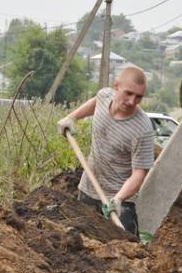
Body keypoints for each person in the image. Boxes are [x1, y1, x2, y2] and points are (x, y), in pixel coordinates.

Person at [56, 66, 154, 235]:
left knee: (125, 250)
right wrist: (72, 117)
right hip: (87, 189)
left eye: (139, 97)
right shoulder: (104, 96)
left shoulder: (142, 129)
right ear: (116, 86)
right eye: (128, 93)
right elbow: (96, 102)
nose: (132, 101)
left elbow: (139, 173)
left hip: (119, 203)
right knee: (82, 246)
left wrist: (118, 199)